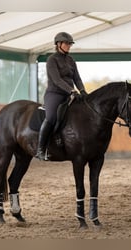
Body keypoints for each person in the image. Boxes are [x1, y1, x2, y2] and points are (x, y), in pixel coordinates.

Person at [35, 32, 88, 160]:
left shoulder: (70, 60)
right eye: (67, 44)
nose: (69, 46)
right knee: (52, 117)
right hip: (55, 94)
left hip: (69, 94)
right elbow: (57, 80)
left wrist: (82, 90)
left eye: (70, 44)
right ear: (59, 44)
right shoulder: (52, 59)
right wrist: (71, 90)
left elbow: (77, 78)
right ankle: (40, 149)